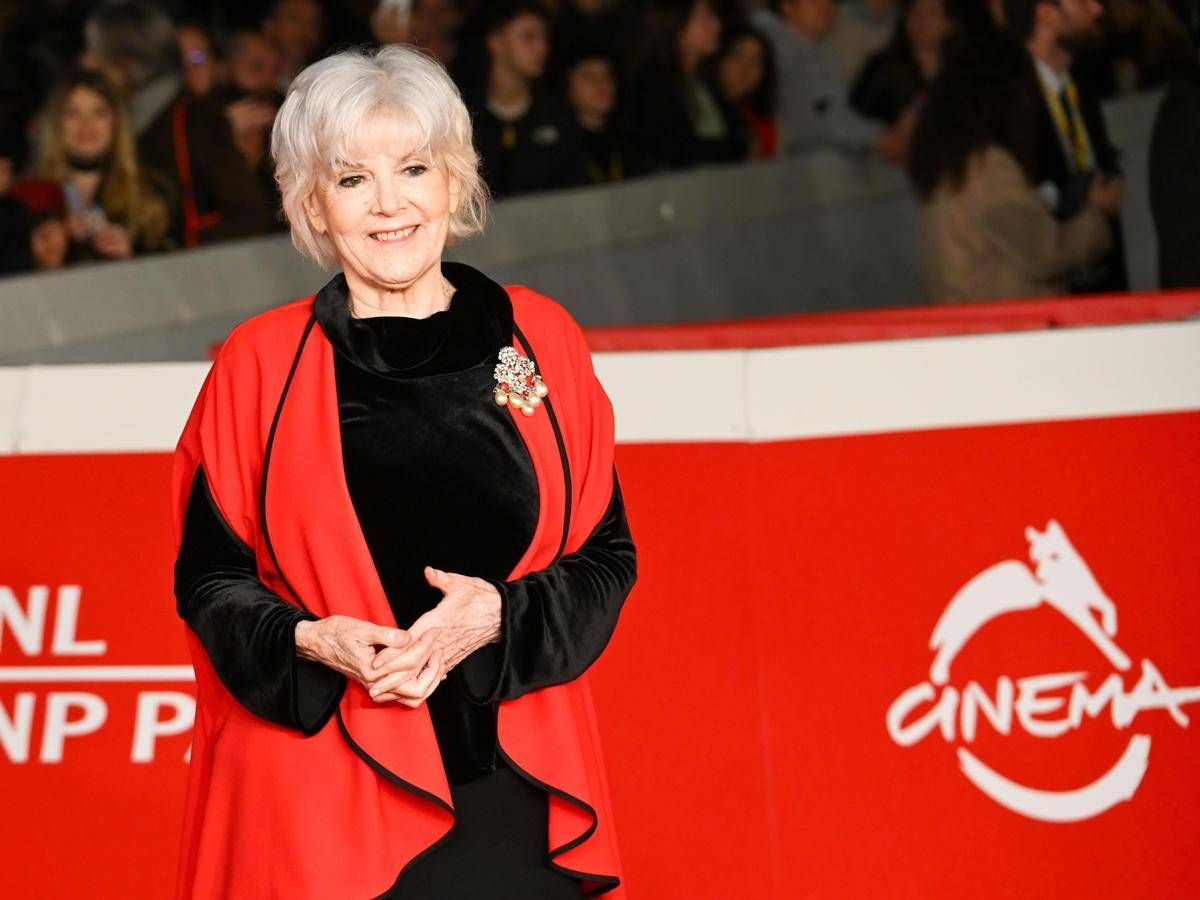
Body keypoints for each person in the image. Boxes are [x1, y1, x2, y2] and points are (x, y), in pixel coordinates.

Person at [170, 43, 636, 897]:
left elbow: (607, 558)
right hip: (320, 799)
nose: (390, 203)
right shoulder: (258, 364)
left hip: (514, 792)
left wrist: (497, 617)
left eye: (414, 168)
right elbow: (210, 581)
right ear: (313, 204)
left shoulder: (540, 340)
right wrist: (314, 640)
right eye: (353, 180)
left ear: (454, 181)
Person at [908, 35, 1122, 302]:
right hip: (1007, 322)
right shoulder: (986, 169)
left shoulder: (949, 164)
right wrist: (1097, 213)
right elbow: (1046, 251)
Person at [82, 0, 274, 248]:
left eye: (98, 55)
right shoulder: (131, 122)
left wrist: (169, 252)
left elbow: (247, 213)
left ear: (127, 63)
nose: (88, 63)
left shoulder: (194, 118)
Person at [1002, 0, 1129, 293]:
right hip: (1050, 292)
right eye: (1082, 1)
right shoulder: (1006, 102)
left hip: (1105, 281)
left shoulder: (1081, 79)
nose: (1097, 9)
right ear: (1045, 13)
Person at [35, 68, 174, 262]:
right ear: (57, 124)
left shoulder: (152, 194)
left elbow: (176, 269)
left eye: (98, 113)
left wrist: (131, 257)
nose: (86, 125)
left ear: (115, 123)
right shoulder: (32, 199)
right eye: (73, 113)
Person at [753, 0, 911, 162]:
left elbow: (831, 112)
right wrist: (878, 138)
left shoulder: (817, 47)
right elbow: (817, 120)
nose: (826, 6)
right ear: (787, 5)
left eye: (831, 1)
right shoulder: (771, 44)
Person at [468, 1, 588, 197]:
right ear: (496, 42)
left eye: (544, 38)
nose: (542, 47)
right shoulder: (464, 117)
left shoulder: (557, 117)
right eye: (528, 37)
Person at [624, 0, 749, 170]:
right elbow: (680, 151)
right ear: (676, 24)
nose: (717, 25)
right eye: (706, 17)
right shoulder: (652, 85)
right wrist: (737, 148)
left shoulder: (705, 81)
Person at [850, 0, 951, 125]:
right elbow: (851, 121)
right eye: (914, 11)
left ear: (949, 23)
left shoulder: (958, 72)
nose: (921, 19)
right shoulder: (882, 67)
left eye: (932, 12)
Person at [712, 23, 780, 159]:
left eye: (756, 61)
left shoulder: (759, 118)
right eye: (738, 56)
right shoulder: (704, 107)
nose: (746, 67)